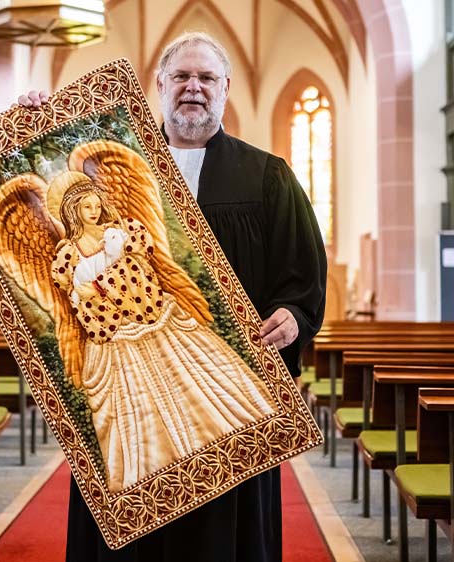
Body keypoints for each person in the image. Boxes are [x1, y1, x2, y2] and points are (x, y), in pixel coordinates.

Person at [20, 30, 326, 562]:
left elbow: (303, 278)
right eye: (181, 77)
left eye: (206, 77)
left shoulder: (268, 176)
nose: (193, 87)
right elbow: (51, 226)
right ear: (157, 86)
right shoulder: (108, 175)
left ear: (226, 88)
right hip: (130, 381)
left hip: (227, 390)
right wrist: (36, 126)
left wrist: (294, 316)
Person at [49, 175, 276, 493]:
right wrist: (92, 287)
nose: (93, 211)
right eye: (86, 206)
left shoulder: (122, 230)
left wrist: (114, 275)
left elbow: (142, 264)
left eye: (96, 205)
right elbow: (79, 292)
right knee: (135, 402)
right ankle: (150, 470)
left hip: (151, 314)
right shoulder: (69, 253)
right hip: (115, 333)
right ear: (72, 211)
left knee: (190, 374)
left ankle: (218, 435)